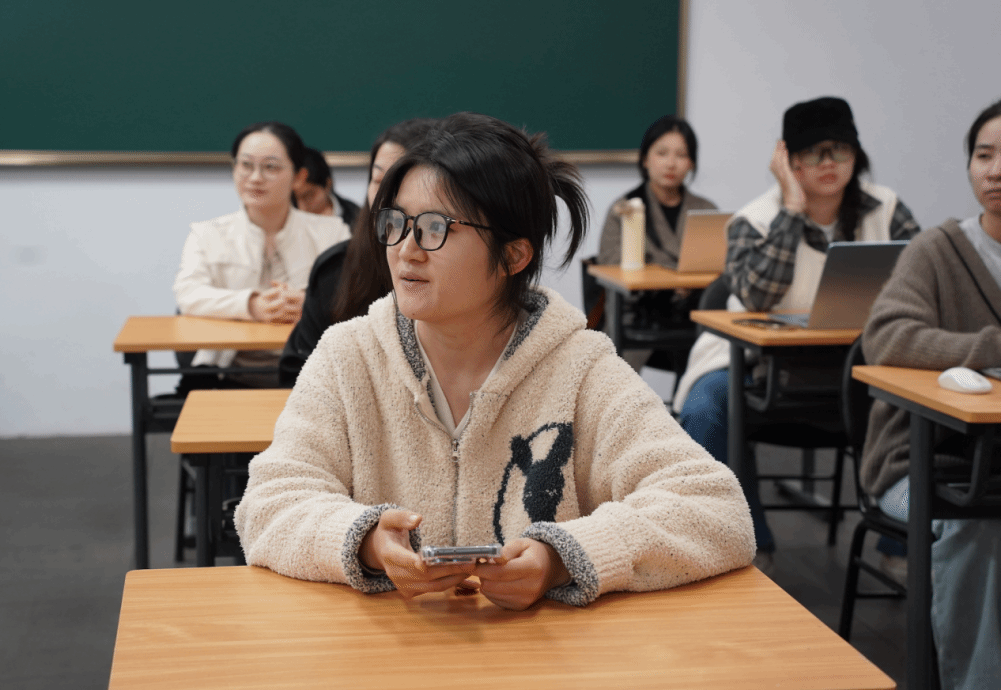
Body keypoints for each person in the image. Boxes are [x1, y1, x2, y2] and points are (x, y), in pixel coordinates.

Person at [236, 112, 754, 610]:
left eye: (435, 227)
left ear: (513, 256)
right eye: (396, 222)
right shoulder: (348, 355)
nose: (406, 249)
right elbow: (267, 504)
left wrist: (563, 557)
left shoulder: (581, 367)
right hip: (385, 650)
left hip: (544, 654)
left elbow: (714, 509)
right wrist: (366, 541)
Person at [673, 97, 920, 570]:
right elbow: (758, 296)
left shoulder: (887, 209)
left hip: (862, 369)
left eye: (839, 150)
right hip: (756, 366)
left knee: (925, 403)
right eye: (812, 152)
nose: (828, 163)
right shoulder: (754, 218)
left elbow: (922, 285)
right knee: (705, 408)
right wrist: (791, 207)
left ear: (856, 154)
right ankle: (744, 548)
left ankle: (902, 547)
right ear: (788, 160)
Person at [860, 99, 1001, 690]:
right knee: (981, 522)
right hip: (918, 463)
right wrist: (988, 348)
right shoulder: (938, 251)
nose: (995, 170)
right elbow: (886, 337)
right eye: (984, 155)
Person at [173, 121, 350, 391]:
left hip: (313, 377)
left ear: (298, 177)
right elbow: (187, 293)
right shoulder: (206, 234)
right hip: (227, 375)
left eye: (271, 167)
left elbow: (354, 293)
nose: (255, 178)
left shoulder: (332, 232)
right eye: (246, 165)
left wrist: (310, 303)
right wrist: (251, 305)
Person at [278, 118, 438, 388]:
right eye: (378, 180)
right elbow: (297, 370)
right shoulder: (335, 269)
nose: (384, 194)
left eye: (399, 181)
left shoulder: (448, 269)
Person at [595, 116, 718, 372]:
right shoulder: (625, 208)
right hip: (638, 314)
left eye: (681, 155)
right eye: (662, 153)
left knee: (720, 349)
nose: (671, 163)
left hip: (691, 314)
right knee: (618, 379)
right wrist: (674, 277)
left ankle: (694, 398)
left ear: (691, 163)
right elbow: (611, 262)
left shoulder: (706, 210)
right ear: (645, 159)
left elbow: (717, 264)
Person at [292, 147, 361, 227]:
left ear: (328, 185)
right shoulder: (288, 217)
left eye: (308, 197)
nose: (301, 208)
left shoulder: (356, 215)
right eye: (294, 198)